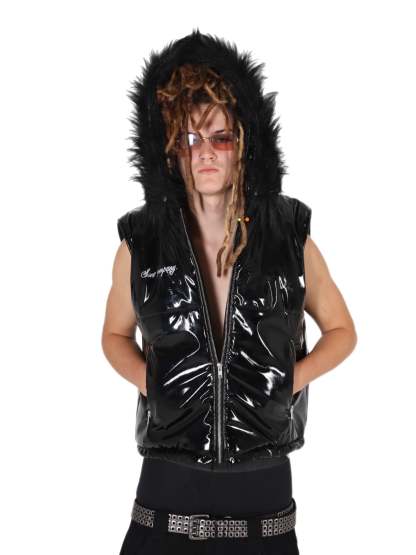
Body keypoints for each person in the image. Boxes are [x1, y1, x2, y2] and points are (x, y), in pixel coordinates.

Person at [101, 29, 357, 554]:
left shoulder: (289, 238)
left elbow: (342, 331)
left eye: (220, 138)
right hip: (167, 485)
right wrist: (154, 383)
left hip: (263, 488)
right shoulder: (140, 244)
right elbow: (113, 334)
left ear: (244, 144)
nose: (206, 154)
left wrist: (289, 380)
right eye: (190, 140)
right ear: (170, 152)